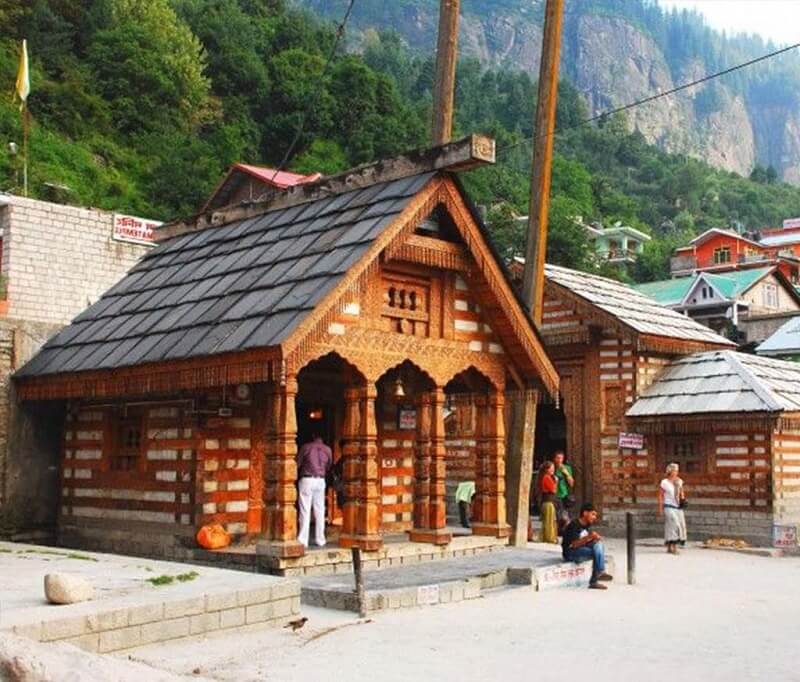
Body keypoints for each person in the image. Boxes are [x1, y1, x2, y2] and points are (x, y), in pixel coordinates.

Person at [562, 503, 613, 590]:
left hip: (581, 549)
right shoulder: (574, 525)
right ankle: (596, 576)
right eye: (593, 514)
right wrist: (589, 537)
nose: (594, 517)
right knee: (597, 551)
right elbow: (574, 544)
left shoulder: (587, 525)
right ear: (585, 513)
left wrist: (594, 539)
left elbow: (585, 540)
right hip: (570, 552)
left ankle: (599, 573)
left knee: (598, 546)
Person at [296, 434, 333, 548]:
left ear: (312, 436)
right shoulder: (327, 449)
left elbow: (297, 464)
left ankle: (303, 540)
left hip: (307, 479)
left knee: (305, 510)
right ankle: (320, 539)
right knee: (320, 510)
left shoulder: (306, 447)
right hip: (320, 480)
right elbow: (329, 466)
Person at [658, 462, 687, 554]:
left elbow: (682, 492)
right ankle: (674, 546)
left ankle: (669, 546)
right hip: (668, 506)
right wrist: (660, 508)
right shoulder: (664, 482)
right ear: (670, 471)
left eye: (677, 470)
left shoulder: (679, 481)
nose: (676, 472)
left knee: (676, 526)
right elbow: (660, 495)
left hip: (678, 506)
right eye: (674, 470)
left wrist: (683, 500)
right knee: (674, 524)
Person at [552, 450, 575, 530]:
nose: (559, 460)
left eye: (561, 458)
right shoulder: (552, 468)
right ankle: (558, 530)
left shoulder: (567, 468)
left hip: (564, 494)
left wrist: (566, 473)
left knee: (565, 514)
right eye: (558, 458)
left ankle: (565, 530)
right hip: (554, 494)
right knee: (557, 515)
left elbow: (572, 483)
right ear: (554, 459)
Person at [538, 461, 558, 544]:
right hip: (548, 503)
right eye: (551, 468)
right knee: (550, 521)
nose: (553, 470)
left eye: (553, 468)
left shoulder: (545, 477)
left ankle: (546, 537)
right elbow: (553, 490)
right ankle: (550, 538)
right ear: (546, 469)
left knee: (547, 521)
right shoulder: (547, 477)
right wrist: (556, 481)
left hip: (546, 502)